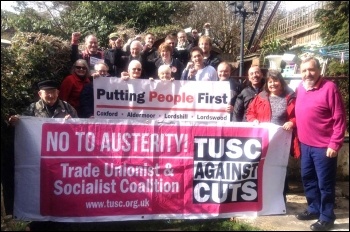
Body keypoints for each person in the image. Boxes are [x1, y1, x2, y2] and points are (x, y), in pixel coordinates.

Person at [8, 79, 77, 231]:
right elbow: (22, 124)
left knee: (61, 188)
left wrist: (73, 122)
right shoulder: (32, 108)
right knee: (42, 188)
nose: (51, 95)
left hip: (62, 159)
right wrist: (15, 121)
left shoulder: (67, 108)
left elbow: (79, 130)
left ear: (58, 92)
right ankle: (41, 218)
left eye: (53, 92)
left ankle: (61, 217)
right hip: (40, 158)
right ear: (40, 94)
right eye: (47, 93)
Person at [294, 57, 346, 231]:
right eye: (304, 70)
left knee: (325, 184)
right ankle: (314, 208)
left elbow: (339, 119)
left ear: (318, 70)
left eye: (311, 69)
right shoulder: (300, 88)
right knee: (308, 179)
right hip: (305, 144)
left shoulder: (329, 88)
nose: (307, 74)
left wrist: (335, 143)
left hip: (324, 147)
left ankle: (327, 216)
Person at [245, 69, 301, 202]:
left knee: (281, 168)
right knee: (264, 167)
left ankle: (281, 199)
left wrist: (291, 122)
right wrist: (253, 120)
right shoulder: (261, 97)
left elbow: (299, 115)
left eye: (275, 81)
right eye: (270, 81)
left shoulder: (290, 97)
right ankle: (264, 197)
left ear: (281, 82)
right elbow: (250, 112)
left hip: (282, 140)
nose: (273, 84)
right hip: (264, 139)